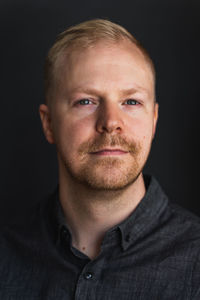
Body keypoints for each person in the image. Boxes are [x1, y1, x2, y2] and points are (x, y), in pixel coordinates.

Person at [1, 19, 200, 299]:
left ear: (153, 121)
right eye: (86, 101)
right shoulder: (6, 257)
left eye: (131, 102)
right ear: (48, 124)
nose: (110, 123)